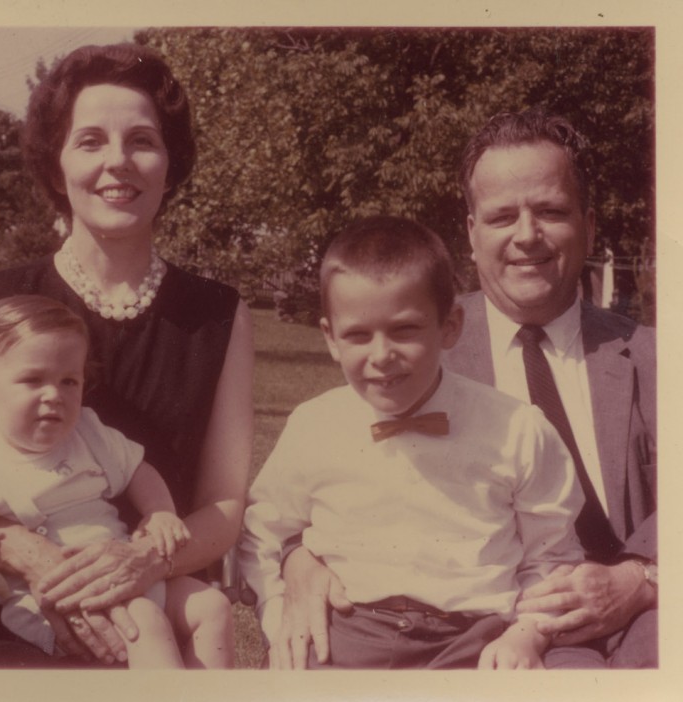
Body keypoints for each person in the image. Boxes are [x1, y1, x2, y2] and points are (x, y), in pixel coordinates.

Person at [0, 43, 254, 667]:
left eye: (142, 141)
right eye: (91, 141)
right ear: (56, 166)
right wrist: (21, 549)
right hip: (1, 610)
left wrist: (138, 563)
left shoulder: (218, 317)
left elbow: (224, 508)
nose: (117, 163)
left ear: (170, 164)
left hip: (154, 601)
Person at [277, 109, 656, 669]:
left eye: (551, 211)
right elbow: (320, 480)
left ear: (591, 226)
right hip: (488, 627)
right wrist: (296, 559)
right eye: (502, 216)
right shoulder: (414, 350)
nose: (527, 236)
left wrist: (642, 580)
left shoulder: (654, 356)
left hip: (638, 616)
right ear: (473, 233)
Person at [238, 215, 584, 669]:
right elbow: (263, 531)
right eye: (358, 335)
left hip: (473, 640)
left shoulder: (518, 429)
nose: (382, 356)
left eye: (404, 330)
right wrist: (280, 614)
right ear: (331, 338)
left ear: (450, 326)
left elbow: (552, 557)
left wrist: (526, 635)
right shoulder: (315, 425)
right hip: (344, 633)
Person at [0, 296, 233, 668]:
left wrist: (158, 512)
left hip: (124, 576)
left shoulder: (88, 433)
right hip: (51, 602)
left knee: (213, 606)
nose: (54, 395)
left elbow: (138, 468)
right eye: (32, 380)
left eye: (69, 381)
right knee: (147, 622)